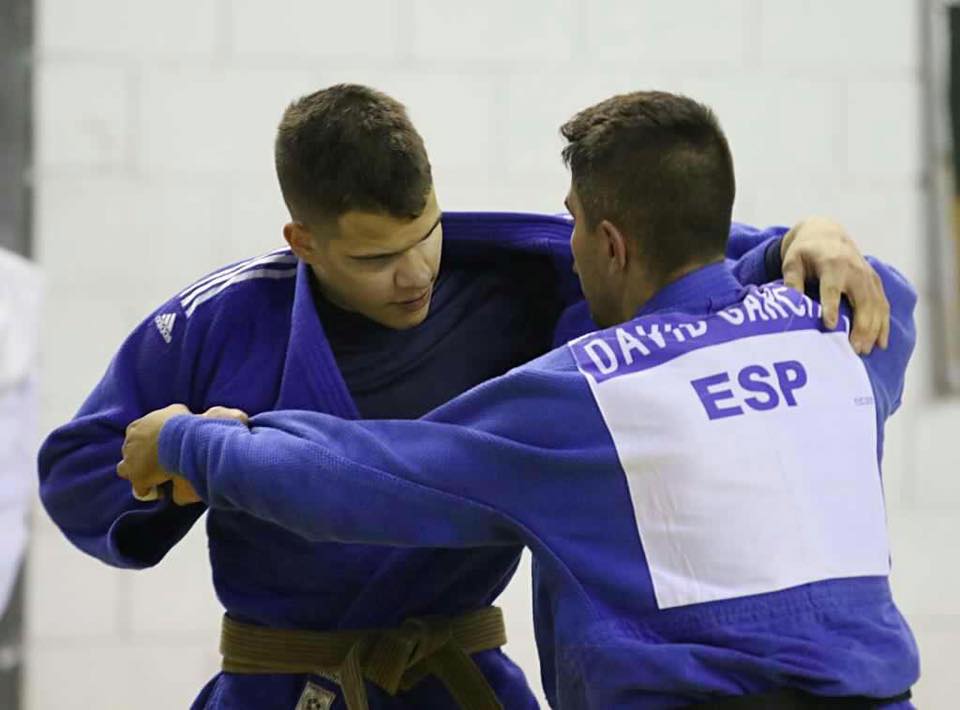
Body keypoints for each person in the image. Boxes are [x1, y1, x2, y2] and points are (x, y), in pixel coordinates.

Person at [46, 85, 891, 710]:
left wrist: (799, 238)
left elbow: (674, 252)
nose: (415, 273)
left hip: (459, 673)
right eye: (377, 259)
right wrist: (165, 473)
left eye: (427, 234)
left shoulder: (525, 280)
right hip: (284, 679)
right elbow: (81, 464)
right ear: (303, 242)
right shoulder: (221, 319)